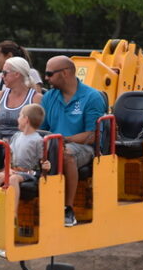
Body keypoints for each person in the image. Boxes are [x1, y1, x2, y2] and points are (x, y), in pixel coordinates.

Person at [39, 55, 107, 226]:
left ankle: (67, 208)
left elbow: (91, 135)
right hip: (54, 144)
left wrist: (64, 140)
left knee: (66, 154)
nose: (46, 78)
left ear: (65, 73)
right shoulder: (49, 97)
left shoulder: (92, 97)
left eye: (49, 74)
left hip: (82, 147)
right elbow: (43, 129)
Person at [0, 104, 49, 213]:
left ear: (25, 119)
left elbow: (43, 160)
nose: (17, 119)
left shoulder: (38, 140)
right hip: (13, 170)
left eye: (19, 116)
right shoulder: (16, 136)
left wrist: (46, 165)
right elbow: (9, 155)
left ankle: (13, 213)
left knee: (13, 179)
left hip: (29, 172)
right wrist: (8, 168)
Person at [0, 57, 43, 140]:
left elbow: (38, 128)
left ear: (17, 74)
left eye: (5, 73)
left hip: (23, 145)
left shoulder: (36, 98)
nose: (2, 76)